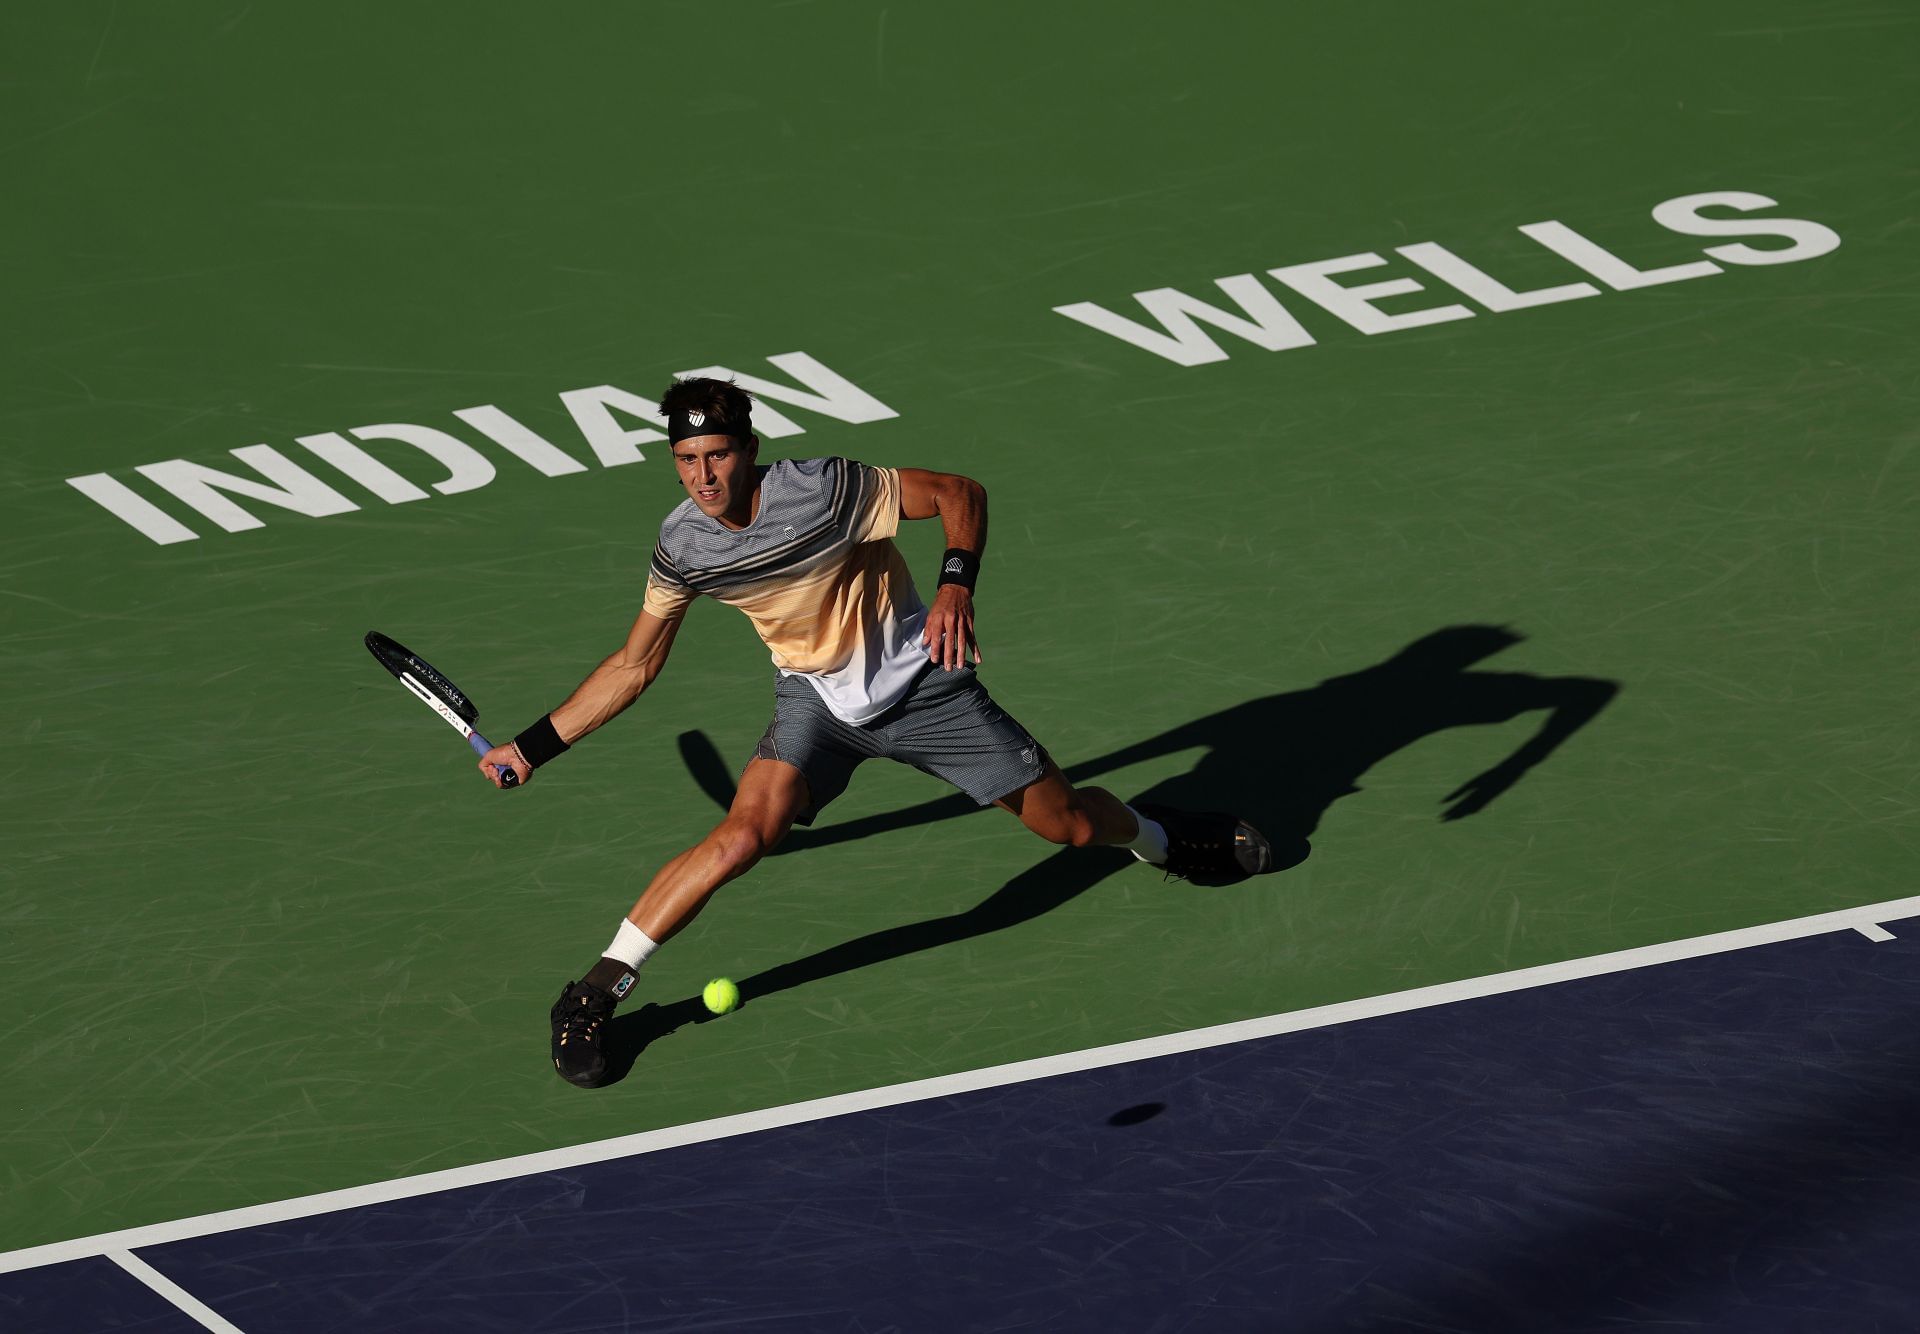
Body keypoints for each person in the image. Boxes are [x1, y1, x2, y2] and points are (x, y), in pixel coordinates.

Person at [480, 377, 1270, 1087]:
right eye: (686, 460)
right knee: (741, 836)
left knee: (1066, 827)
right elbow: (633, 665)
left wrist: (956, 584)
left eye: (717, 455)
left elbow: (959, 491)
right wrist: (533, 746)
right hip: (816, 705)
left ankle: (1159, 839)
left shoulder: (824, 490)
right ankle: (597, 990)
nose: (704, 477)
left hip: (926, 689)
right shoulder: (684, 545)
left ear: (749, 450)